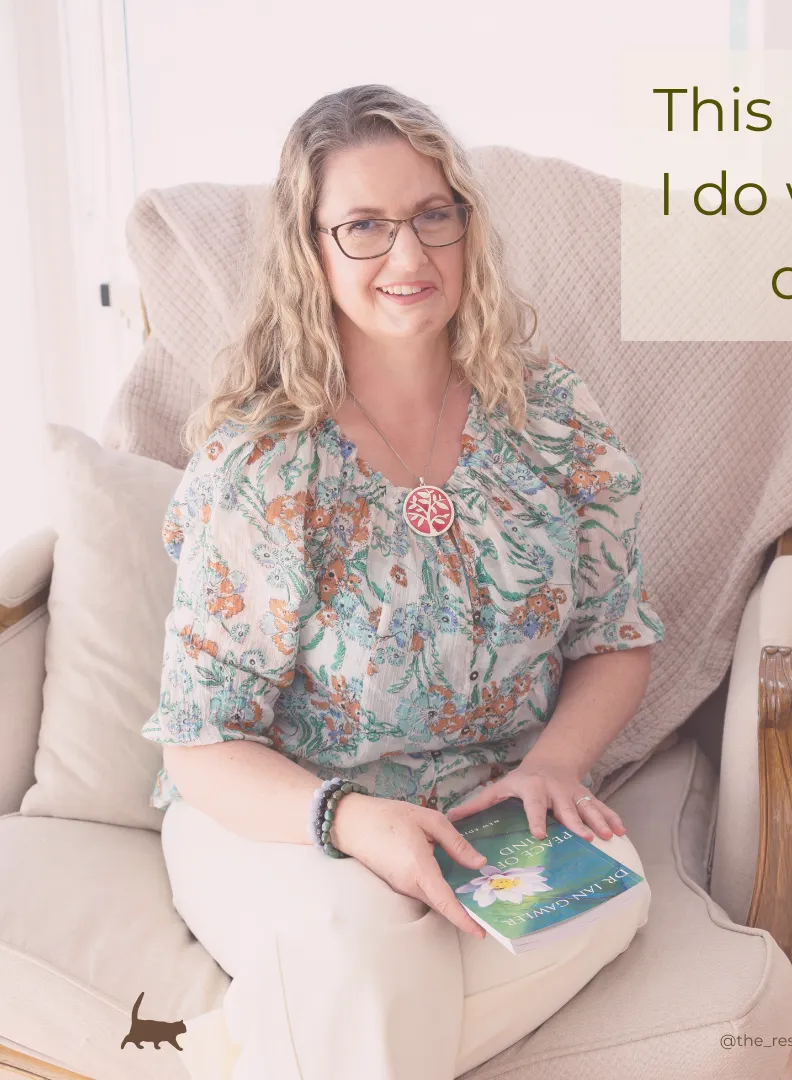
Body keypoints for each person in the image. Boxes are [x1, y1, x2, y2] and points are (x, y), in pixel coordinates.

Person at [141, 83, 665, 1080]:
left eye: (433, 215)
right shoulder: (264, 463)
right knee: (365, 952)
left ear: (468, 225)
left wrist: (556, 765)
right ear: (310, 249)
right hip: (282, 821)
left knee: (618, 890)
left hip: (483, 816)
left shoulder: (552, 418)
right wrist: (350, 821)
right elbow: (202, 744)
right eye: (365, 227)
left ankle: (256, 1046)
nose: (411, 257)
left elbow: (616, 632)